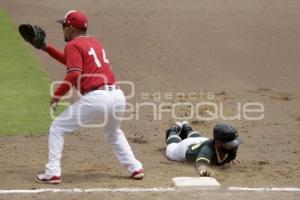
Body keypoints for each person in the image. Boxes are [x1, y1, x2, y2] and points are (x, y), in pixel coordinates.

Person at [31, 10, 144, 184]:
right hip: (118, 96)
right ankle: (135, 167)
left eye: (63, 25)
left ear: (70, 28)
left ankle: (52, 171)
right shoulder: (94, 42)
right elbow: (71, 62)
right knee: (113, 132)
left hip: (98, 98)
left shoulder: (72, 45)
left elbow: (74, 74)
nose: (62, 29)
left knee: (57, 127)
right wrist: (47, 48)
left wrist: (57, 95)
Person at [165, 121, 242, 176]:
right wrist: (204, 170)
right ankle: (173, 129)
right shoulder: (207, 149)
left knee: (198, 137)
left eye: (234, 143)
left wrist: (230, 158)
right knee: (172, 146)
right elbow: (201, 164)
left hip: (203, 141)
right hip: (185, 147)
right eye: (230, 144)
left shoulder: (231, 148)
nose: (233, 146)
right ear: (218, 143)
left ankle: (187, 128)